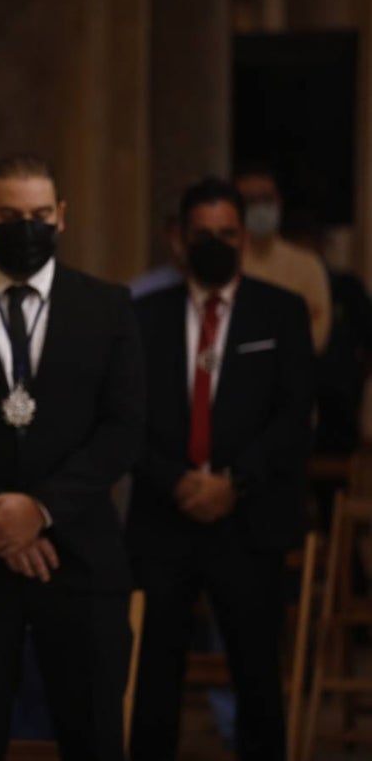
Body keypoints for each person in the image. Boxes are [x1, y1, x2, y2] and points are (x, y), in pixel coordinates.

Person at [0, 153, 145, 761]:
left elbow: (123, 430)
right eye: (10, 215)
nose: (27, 226)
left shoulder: (108, 306)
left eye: (40, 214)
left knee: (93, 733)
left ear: (61, 216)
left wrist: (39, 510)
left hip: (83, 560)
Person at [128, 177, 314, 761]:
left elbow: (293, 414)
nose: (215, 243)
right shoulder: (143, 314)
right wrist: (177, 480)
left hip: (248, 518)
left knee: (257, 675)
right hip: (165, 518)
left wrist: (233, 482)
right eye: (202, 233)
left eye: (227, 234)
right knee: (154, 676)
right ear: (180, 239)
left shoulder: (280, 312)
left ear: (243, 239)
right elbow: (123, 414)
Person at [234, 163, 331, 353]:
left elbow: (318, 329)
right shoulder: (228, 262)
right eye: (251, 201)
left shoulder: (307, 265)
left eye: (267, 199)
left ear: (279, 202)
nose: (260, 207)